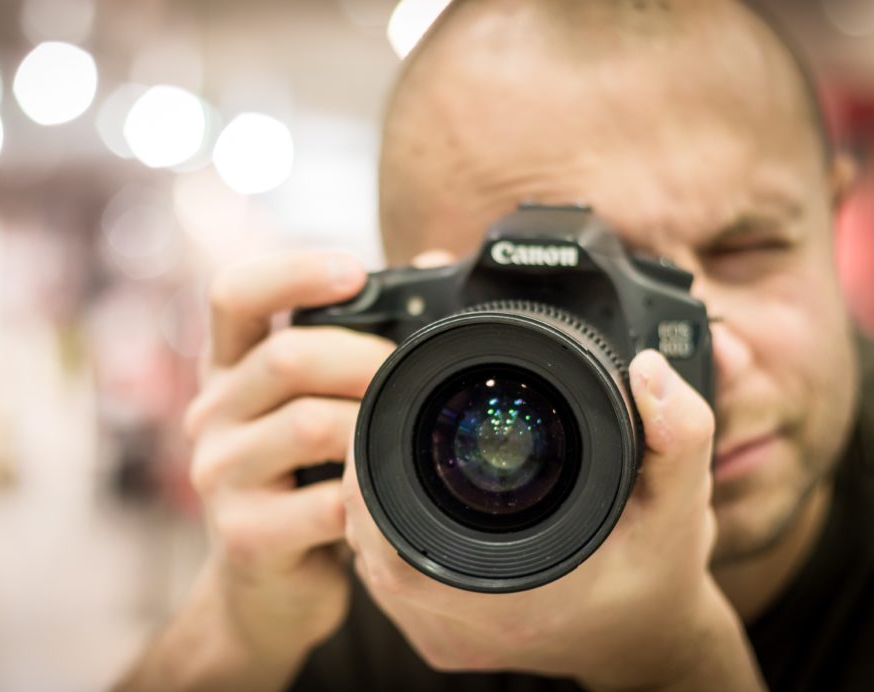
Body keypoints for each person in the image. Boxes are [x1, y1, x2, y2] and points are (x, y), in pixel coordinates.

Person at [117, 0, 874, 690]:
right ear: (412, 326)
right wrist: (235, 628)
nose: (718, 355)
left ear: (835, 216)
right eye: (551, 311)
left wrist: (675, 664)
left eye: (752, 248)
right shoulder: (377, 540)